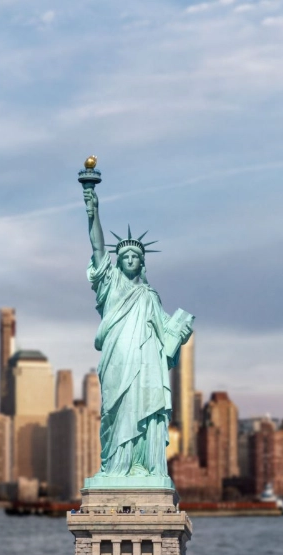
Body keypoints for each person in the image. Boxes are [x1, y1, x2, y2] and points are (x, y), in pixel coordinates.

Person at [83, 184, 193, 479]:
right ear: (117, 262)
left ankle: (141, 465)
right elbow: (96, 248)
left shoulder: (149, 296)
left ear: (141, 262)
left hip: (145, 363)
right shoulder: (111, 284)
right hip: (117, 357)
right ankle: (116, 467)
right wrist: (92, 212)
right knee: (116, 411)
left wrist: (181, 331)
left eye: (135, 256)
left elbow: (165, 331)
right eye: (125, 256)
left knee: (142, 406)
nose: (130, 259)